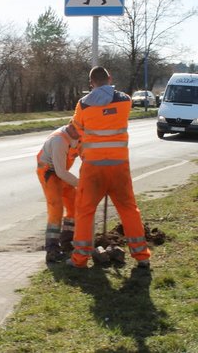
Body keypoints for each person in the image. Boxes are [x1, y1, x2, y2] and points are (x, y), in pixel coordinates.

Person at [68, 66, 151, 269]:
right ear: (110, 78)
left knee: (85, 211)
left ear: (91, 83)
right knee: (129, 210)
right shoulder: (125, 101)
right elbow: (111, 108)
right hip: (119, 166)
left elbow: (73, 130)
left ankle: (79, 259)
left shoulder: (83, 105)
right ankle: (142, 257)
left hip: (93, 168)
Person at [36, 121, 80, 263]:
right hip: (48, 173)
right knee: (56, 208)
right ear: (72, 127)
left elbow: (88, 157)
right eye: (81, 130)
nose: (83, 134)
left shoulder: (80, 136)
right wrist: (82, 185)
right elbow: (60, 172)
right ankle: (52, 249)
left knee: (75, 204)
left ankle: (67, 241)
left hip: (61, 173)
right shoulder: (59, 140)